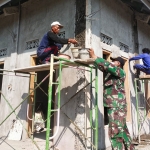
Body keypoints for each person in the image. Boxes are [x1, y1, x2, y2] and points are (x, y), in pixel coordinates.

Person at [88, 48, 135, 150]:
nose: (111, 61)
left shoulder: (120, 72)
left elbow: (108, 66)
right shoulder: (112, 73)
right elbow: (104, 67)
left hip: (116, 106)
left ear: (118, 63)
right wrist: (95, 60)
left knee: (115, 131)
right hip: (116, 105)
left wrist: (95, 57)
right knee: (122, 129)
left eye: (113, 60)